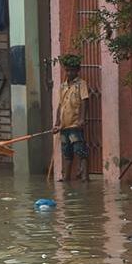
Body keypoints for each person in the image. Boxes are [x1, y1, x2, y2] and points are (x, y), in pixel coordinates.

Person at [52, 54, 90, 182]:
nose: (69, 73)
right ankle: (66, 177)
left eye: (72, 70)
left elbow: (85, 101)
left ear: (77, 70)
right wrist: (57, 123)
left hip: (75, 125)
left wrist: (82, 119)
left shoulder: (81, 84)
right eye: (67, 70)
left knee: (80, 151)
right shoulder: (63, 86)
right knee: (67, 153)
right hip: (64, 126)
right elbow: (60, 105)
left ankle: (85, 177)